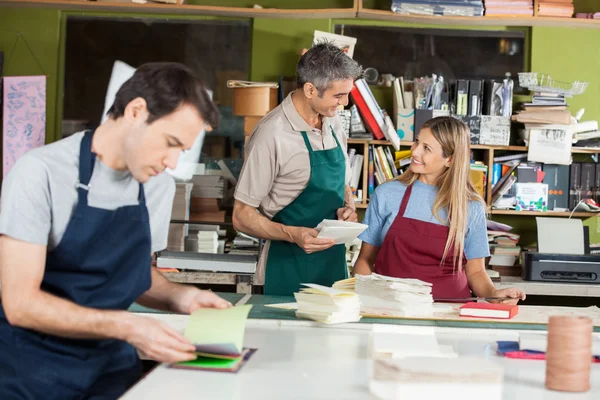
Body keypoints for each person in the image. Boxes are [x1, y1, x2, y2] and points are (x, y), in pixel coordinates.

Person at [0, 62, 232, 400]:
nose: (171, 162)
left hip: (111, 373)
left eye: (181, 151)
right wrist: (128, 325)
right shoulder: (40, 173)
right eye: (170, 142)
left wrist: (181, 297)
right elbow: (20, 303)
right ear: (136, 111)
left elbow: (135, 276)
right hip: (33, 373)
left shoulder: (156, 186)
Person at [232, 42, 363, 296]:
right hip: (286, 266)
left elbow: (342, 182)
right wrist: (293, 235)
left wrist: (349, 206)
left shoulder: (334, 121)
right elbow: (241, 215)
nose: (345, 103)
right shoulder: (271, 134)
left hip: (333, 265)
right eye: (338, 95)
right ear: (311, 89)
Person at [354, 116, 525, 304]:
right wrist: (365, 302)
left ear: (450, 159)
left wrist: (495, 294)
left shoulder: (470, 206)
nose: (415, 151)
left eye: (426, 148)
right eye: (417, 142)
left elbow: (476, 272)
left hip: (449, 312)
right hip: (390, 308)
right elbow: (365, 260)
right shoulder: (387, 194)